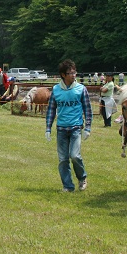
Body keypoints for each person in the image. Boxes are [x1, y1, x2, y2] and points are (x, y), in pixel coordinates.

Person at [45, 59, 92, 192]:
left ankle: (82, 177)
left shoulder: (81, 89)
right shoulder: (56, 90)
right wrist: (48, 128)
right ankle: (68, 186)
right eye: (70, 73)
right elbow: (51, 110)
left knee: (75, 156)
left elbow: (88, 109)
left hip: (76, 128)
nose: (73, 75)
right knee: (63, 159)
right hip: (61, 129)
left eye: (74, 72)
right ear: (63, 75)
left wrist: (87, 127)